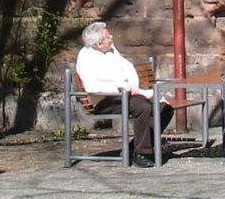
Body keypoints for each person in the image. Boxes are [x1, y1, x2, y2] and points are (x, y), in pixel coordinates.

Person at [73, 19, 171, 166]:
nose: (111, 37)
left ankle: (132, 148)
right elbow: (92, 86)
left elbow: (128, 68)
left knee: (165, 109)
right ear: (98, 44)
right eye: (107, 36)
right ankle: (142, 153)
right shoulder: (86, 57)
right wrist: (120, 88)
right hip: (106, 100)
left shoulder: (111, 50)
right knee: (143, 107)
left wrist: (133, 88)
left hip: (127, 95)